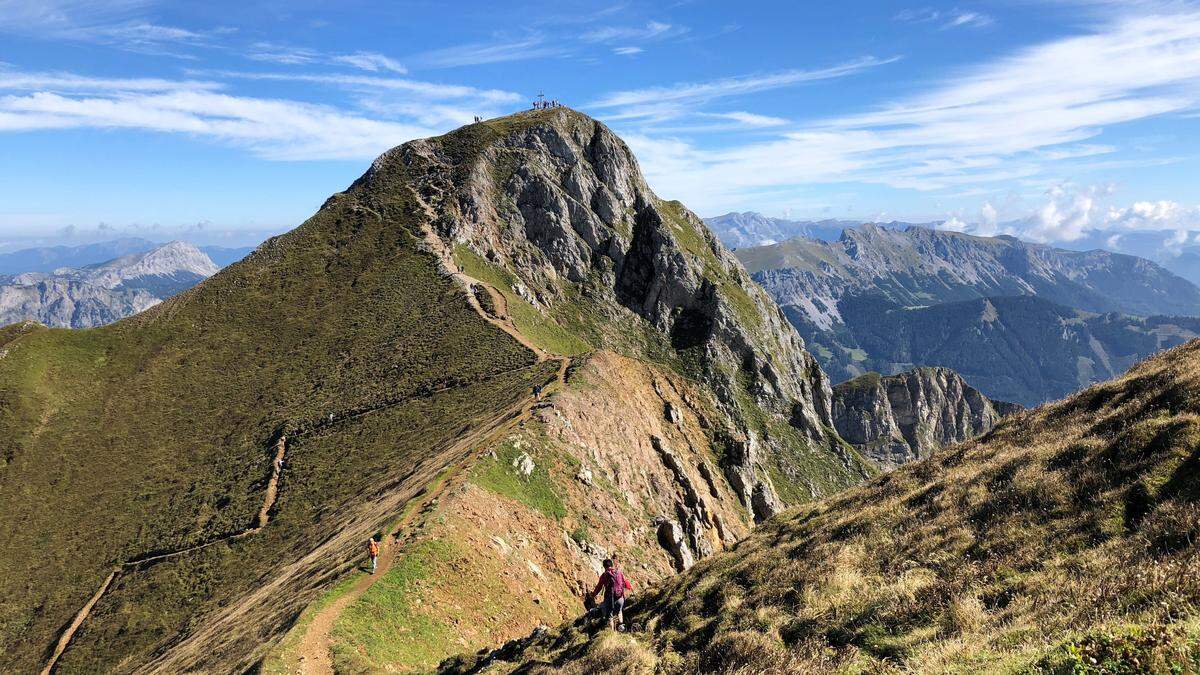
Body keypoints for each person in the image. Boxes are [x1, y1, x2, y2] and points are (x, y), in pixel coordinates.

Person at [588, 558, 633, 631]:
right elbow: (625, 582)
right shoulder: (619, 572)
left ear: (604, 567)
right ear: (612, 565)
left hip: (609, 599)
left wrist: (593, 594)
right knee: (619, 611)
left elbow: (599, 586)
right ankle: (622, 627)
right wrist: (629, 588)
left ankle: (612, 633)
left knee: (610, 616)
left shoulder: (604, 575)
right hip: (620, 597)